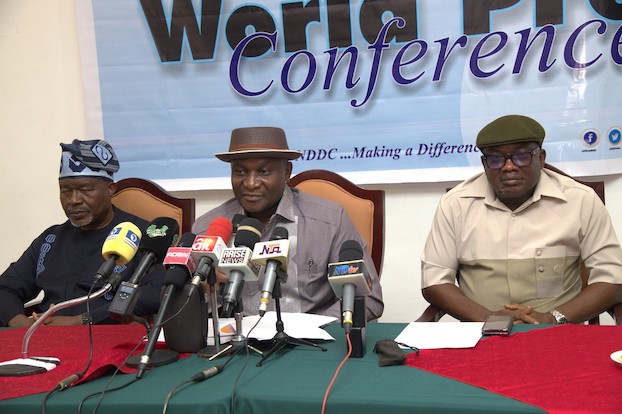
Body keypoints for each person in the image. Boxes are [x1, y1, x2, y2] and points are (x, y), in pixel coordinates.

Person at [421, 115, 622, 324]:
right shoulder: (456, 204)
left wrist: (552, 319)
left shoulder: (581, 200)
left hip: (559, 334)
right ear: (484, 163)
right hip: (480, 334)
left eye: (521, 156)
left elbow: (612, 280)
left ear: (541, 158)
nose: (509, 167)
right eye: (496, 159)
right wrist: (489, 319)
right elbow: (434, 282)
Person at [192, 127, 384, 320]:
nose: (250, 183)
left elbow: (368, 298)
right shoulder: (208, 230)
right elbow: (184, 308)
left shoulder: (329, 221)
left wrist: (314, 328)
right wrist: (207, 293)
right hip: (234, 342)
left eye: (263, 171)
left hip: (312, 343)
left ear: (287, 172)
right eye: (240, 172)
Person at [0, 139, 165, 327]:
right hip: (43, 340)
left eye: (85, 190)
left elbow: (157, 293)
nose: (74, 200)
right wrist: (21, 324)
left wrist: (81, 321)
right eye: (65, 191)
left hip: (108, 339)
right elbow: (5, 288)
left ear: (110, 189)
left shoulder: (145, 235)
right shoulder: (51, 239)